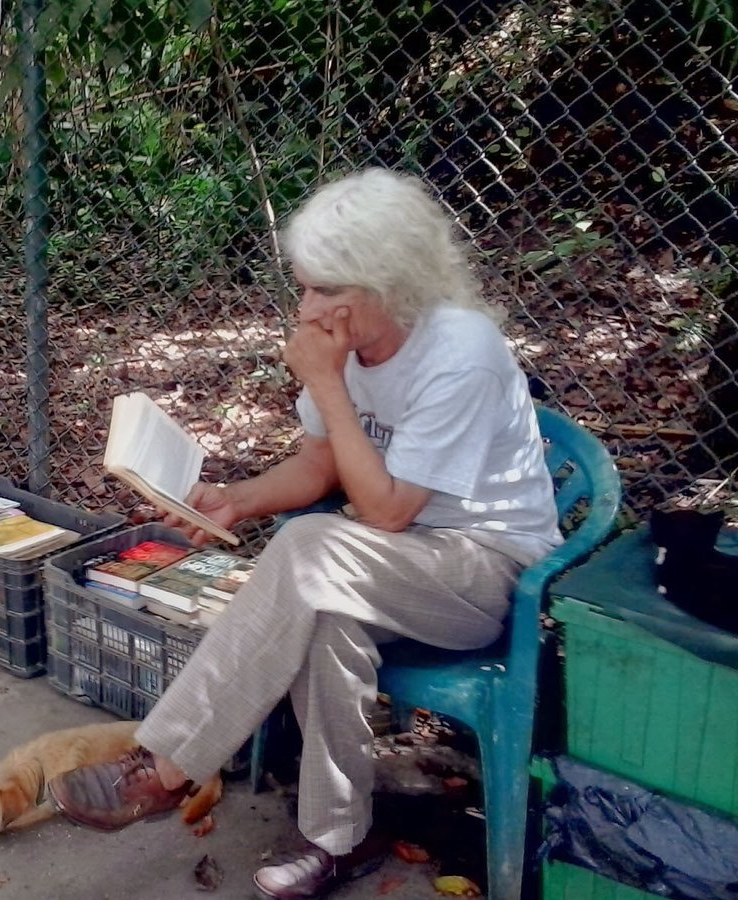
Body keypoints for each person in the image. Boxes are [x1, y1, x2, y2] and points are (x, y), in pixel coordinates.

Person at [48, 168, 562, 899]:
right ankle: (335, 838)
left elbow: (386, 511)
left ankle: (163, 766)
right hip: (399, 562)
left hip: (487, 569)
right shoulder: (348, 343)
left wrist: (327, 382)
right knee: (326, 617)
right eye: (305, 286)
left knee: (311, 550)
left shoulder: (460, 352)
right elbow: (321, 465)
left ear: (388, 282)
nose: (308, 307)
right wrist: (233, 499)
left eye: (327, 290)